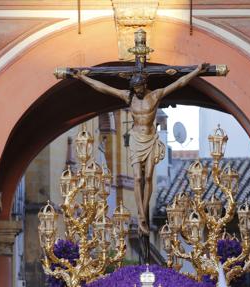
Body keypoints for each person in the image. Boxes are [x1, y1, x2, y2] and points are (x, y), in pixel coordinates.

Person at [71, 63, 209, 235]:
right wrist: (82, 77)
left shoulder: (156, 95)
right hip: (136, 139)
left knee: (148, 177)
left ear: (144, 85)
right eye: (135, 88)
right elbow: (104, 88)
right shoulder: (129, 97)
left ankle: (144, 212)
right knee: (137, 178)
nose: (138, 91)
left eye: (139, 88)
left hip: (150, 139)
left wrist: (196, 71)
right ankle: (141, 215)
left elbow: (179, 83)